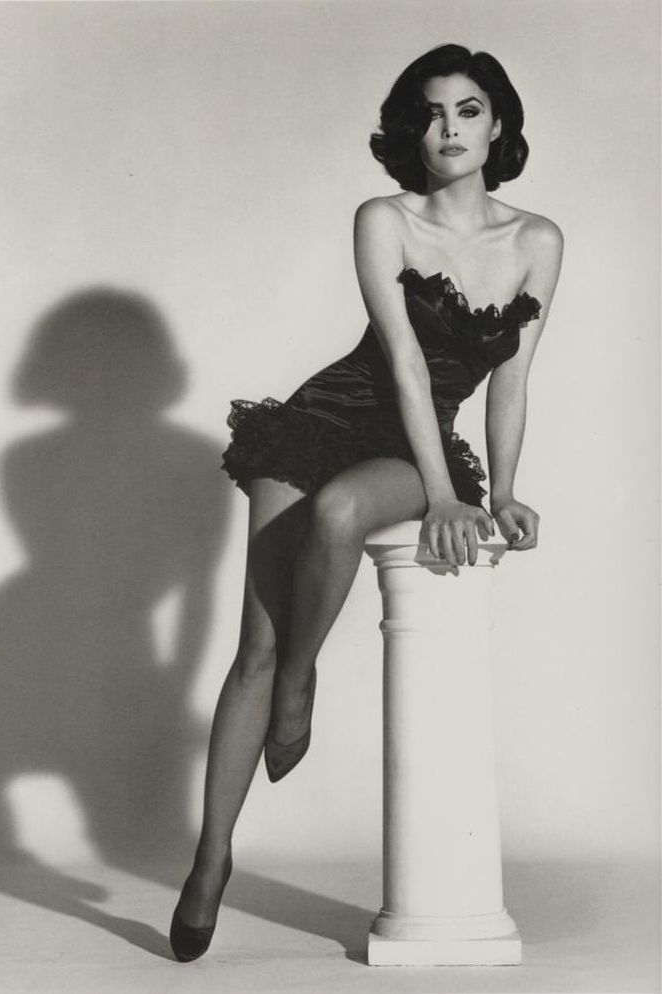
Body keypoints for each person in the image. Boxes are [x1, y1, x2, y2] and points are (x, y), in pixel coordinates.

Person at [169, 42, 563, 962]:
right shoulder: (384, 217)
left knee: (343, 516)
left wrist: (496, 492)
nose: (449, 130)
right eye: (431, 114)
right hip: (324, 416)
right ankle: (210, 859)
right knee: (253, 648)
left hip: (409, 442)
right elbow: (402, 359)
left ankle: (304, 680)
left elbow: (509, 379)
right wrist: (443, 490)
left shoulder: (537, 240)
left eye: (468, 111)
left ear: (498, 123)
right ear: (409, 130)